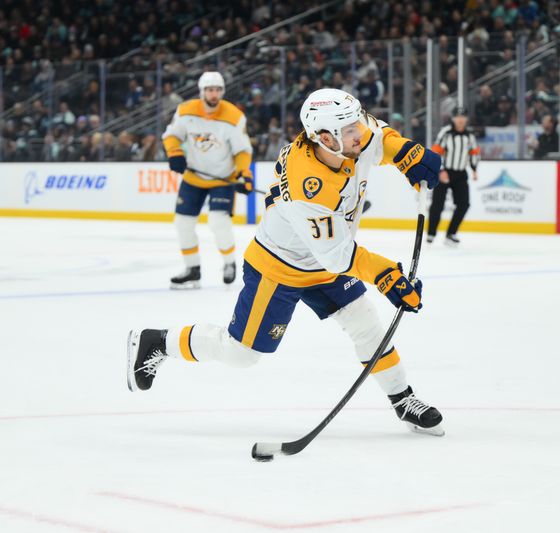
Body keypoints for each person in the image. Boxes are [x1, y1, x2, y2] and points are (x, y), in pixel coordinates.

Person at [127, 89, 445, 436]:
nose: (361, 134)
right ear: (325, 138)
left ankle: (402, 398)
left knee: (366, 324)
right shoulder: (308, 183)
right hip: (279, 267)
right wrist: (386, 275)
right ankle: (157, 341)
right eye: (351, 130)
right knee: (241, 354)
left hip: (325, 261)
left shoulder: (345, 134)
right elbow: (338, 255)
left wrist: (404, 151)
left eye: (357, 124)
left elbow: (377, 134)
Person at [162, 72, 254, 289]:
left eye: (217, 90)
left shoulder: (234, 117)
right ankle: (192, 269)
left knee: (218, 222)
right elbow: (171, 135)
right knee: (182, 223)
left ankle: (230, 262)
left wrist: (244, 174)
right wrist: (174, 152)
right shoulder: (185, 111)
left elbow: (242, 150)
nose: (214, 94)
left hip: (223, 179)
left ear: (222, 92)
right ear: (202, 91)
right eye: (209, 89)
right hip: (193, 177)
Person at [428, 106, 480, 246]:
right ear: (453, 118)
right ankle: (431, 234)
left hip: (461, 173)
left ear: (466, 119)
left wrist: (474, 168)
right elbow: (436, 152)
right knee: (437, 204)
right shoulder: (445, 133)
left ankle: (451, 234)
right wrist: (441, 170)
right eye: (457, 117)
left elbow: (474, 152)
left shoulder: (470, 136)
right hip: (445, 171)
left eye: (463, 117)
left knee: (464, 204)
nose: (460, 120)